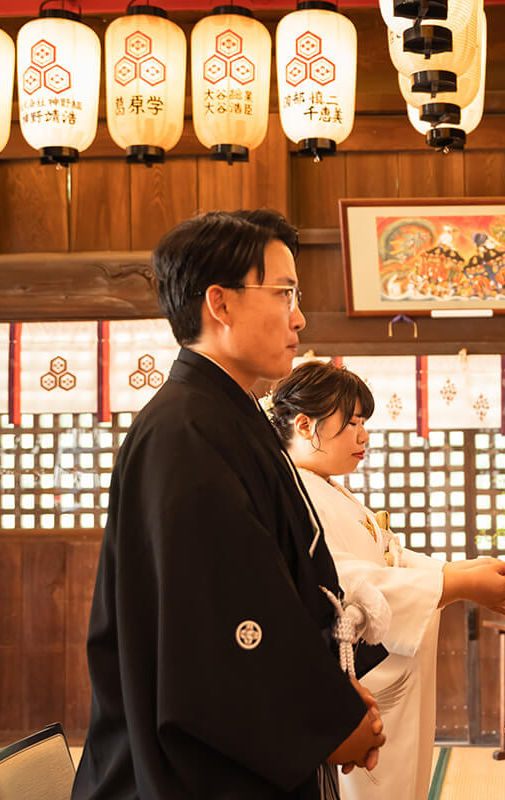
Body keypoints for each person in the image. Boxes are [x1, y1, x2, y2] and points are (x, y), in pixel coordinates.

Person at [73, 210, 386, 800]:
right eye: (285, 292)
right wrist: (326, 721)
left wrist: (335, 695)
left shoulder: (227, 416)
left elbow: (282, 589)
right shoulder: (183, 431)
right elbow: (226, 624)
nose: (298, 316)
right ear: (220, 304)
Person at [270, 361, 505, 800]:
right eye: (350, 423)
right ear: (305, 425)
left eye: (363, 423)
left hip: (392, 674)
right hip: (363, 675)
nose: (363, 436)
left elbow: (391, 557)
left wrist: (461, 572)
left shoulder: (329, 488)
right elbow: (344, 583)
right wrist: (457, 587)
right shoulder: (297, 496)